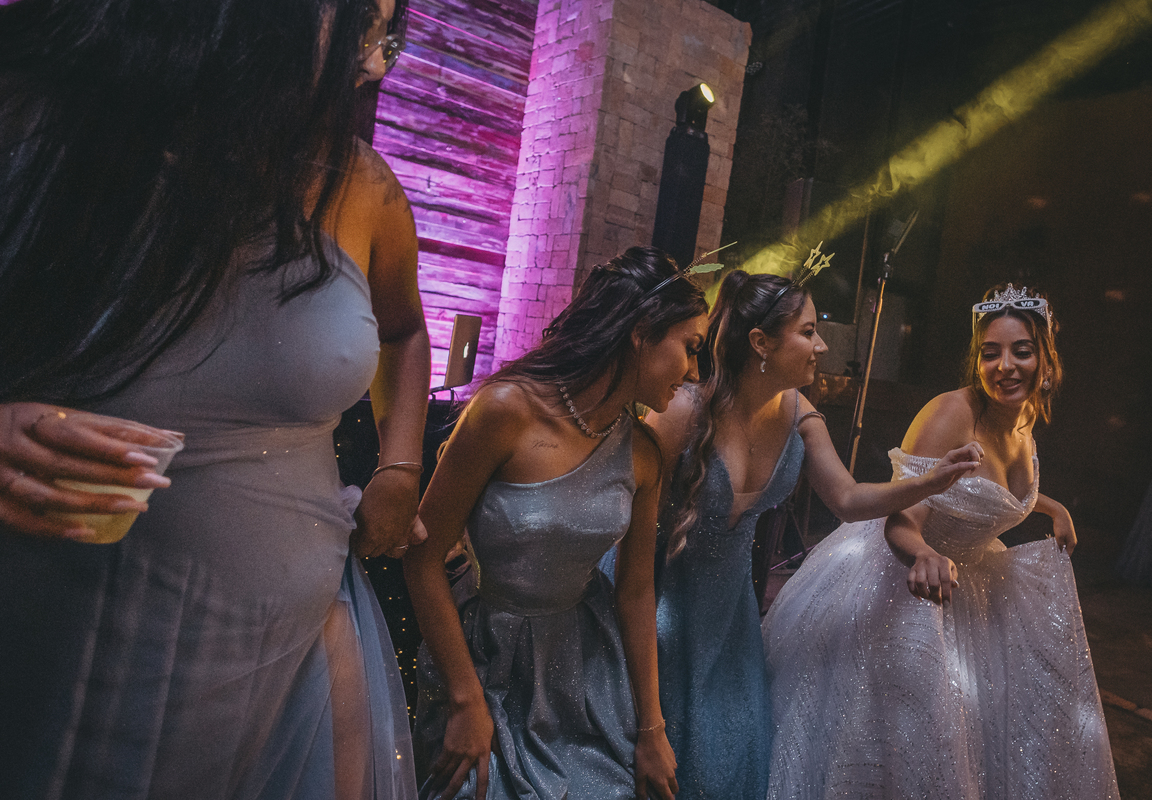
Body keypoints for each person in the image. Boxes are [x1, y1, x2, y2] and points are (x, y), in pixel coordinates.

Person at [0, 0, 427, 797]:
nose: (374, 63)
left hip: (294, 660)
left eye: (387, 36)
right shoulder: (10, 118)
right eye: (358, 25)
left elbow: (405, 329)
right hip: (58, 654)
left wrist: (401, 466)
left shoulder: (355, 180)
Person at [762, 285, 1120, 799]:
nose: (1005, 366)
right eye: (990, 353)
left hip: (969, 589)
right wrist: (924, 553)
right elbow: (901, 517)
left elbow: (986, 488)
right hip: (896, 577)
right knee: (903, 740)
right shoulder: (951, 413)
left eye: (1021, 351)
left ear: (1045, 359)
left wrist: (1050, 506)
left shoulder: (1023, 418)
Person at [645, 268, 982, 800]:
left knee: (728, 761)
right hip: (659, 605)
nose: (821, 345)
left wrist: (930, 481)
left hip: (730, 623)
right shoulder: (681, 411)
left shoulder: (800, 413)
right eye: (807, 331)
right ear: (761, 342)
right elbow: (628, 528)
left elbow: (847, 499)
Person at [404, 247, 709, 800]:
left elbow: (636, 592)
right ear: (641, 332)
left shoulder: (643, 454)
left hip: (585, 668)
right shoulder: (504, 410)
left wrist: (651, 729)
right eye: (690, 347)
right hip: (484, 662)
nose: (693, 372)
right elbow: (423, 559)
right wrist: (466, 701)